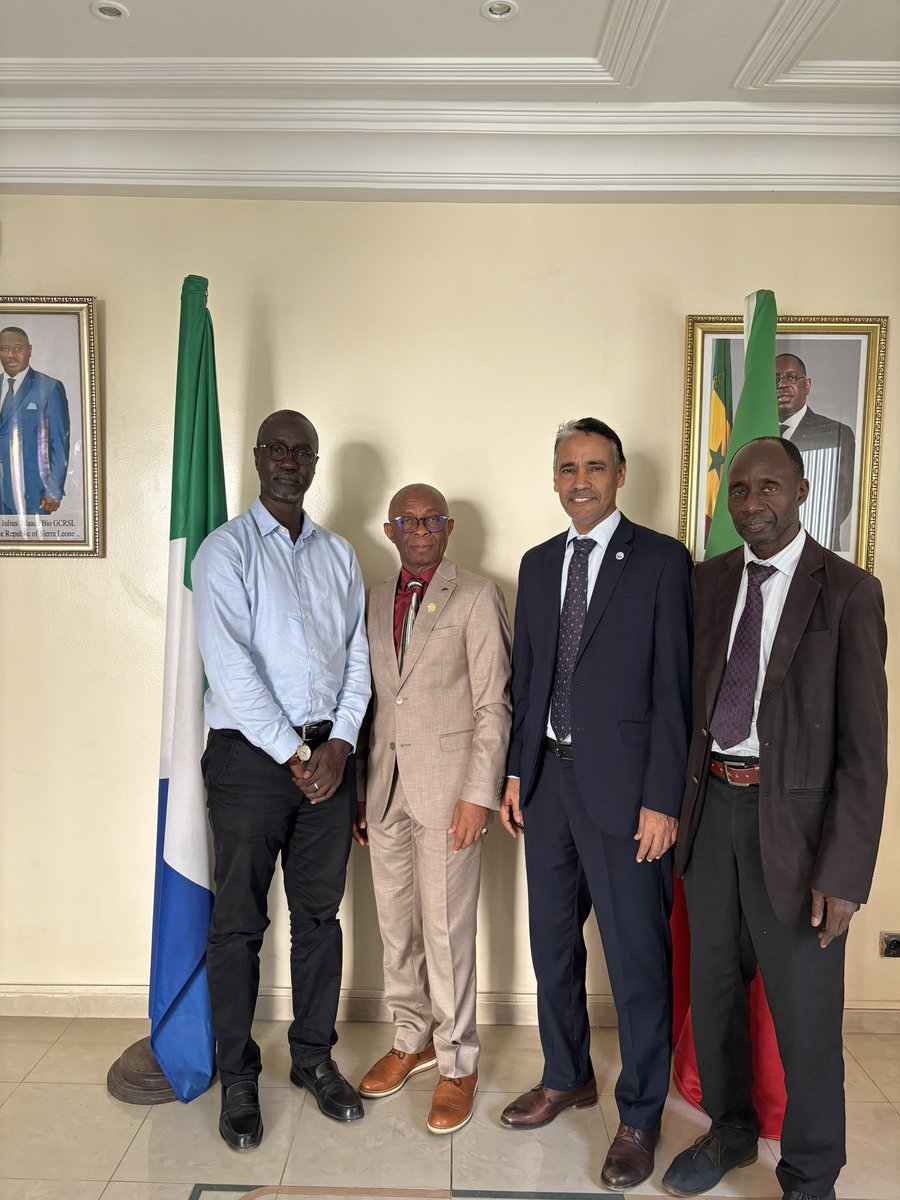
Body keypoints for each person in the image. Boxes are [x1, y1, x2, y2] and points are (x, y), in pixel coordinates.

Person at [662, 437, 887, 1200]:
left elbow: (866, 751)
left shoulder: (850, 593)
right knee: (716, 989)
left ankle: (810, 1176)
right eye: (739, 490)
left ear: (799, 490)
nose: (752, 504)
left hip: (797, 833)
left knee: (805, 1014)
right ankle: (729, 1131)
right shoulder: (709, 581)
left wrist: (846, 872)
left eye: (769, 488)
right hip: (712, 813)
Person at [499, 418, 693, 1191]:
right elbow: (529, 682)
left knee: (637, 958)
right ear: (554, 478)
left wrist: (661, 799)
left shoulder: (660, 561)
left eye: (595, 467)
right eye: (567, 468)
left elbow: (676, 691)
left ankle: (641, 1115)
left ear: (619, 476)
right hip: (547, 785)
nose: (580, 481)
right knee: (553, 949)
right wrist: (516, 775)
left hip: (626, 795)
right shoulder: (538, 563)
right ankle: (566, 1074)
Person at [192, 409, 371, 1151]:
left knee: (319, 918)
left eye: (303, 451)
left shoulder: (340, 556)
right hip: (248, 762)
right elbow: (230, 667)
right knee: (238, 923)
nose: (290, 461)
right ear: (260, 457)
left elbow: (359, 657)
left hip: (330, 760)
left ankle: (312, 1058)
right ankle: (237, 1075)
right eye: (278, 449)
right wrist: (294, 757)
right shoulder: (224, 552)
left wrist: (341, 743)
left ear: (316, 462)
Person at [354, 483, 511, 1134]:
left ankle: (457, 1063)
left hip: (450, 795)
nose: (420, 529)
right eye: (407, 520)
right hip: (385, 789)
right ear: (390, 530)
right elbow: (372, 700)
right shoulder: (371, 599)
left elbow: (493, 704)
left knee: (446, 935)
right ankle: (410, 1038)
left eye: (432, 519)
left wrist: (478, 795)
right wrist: (363, 793)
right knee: (397, 928)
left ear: (448, 530)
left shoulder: (476, 596)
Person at [776, 353, 855, 550]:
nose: (783, 384)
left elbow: (841, 502)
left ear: (807, 385)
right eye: (776, 378)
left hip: (813, 548)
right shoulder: (751, 436)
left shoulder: (836, 433)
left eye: (792, 377)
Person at [0, 325, 70, 515]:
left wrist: (54, 490)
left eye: (18, 348)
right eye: (4, 349)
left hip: (32, 493)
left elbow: (59, 443)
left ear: (29, 350)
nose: (11, 355)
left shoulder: (49, 388)